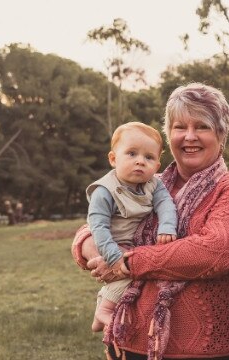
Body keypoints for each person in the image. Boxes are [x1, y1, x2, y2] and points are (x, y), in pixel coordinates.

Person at [71, 83, 229, 360]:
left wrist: (126, 262)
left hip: (204, 349)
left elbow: (210, 253)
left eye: (202, 127)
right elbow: (91, 227)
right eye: (179, 127)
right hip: (128, 338)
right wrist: (96, 250)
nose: (189, 136)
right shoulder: (146, 183)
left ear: (222, 134)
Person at [86, 122, 178, 332]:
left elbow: (166, 205)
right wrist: (113, 256)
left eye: (149, 157)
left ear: (157, 166)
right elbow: (98, 227)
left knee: (136, 267)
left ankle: (101, 310)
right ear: (113, 159)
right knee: (128, 271)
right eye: (131, 154)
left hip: (134, 242)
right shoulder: (105, 191)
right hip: (111, 241)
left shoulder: (154, 184)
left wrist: (167, 227)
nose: (140, 161)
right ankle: (105, 309)